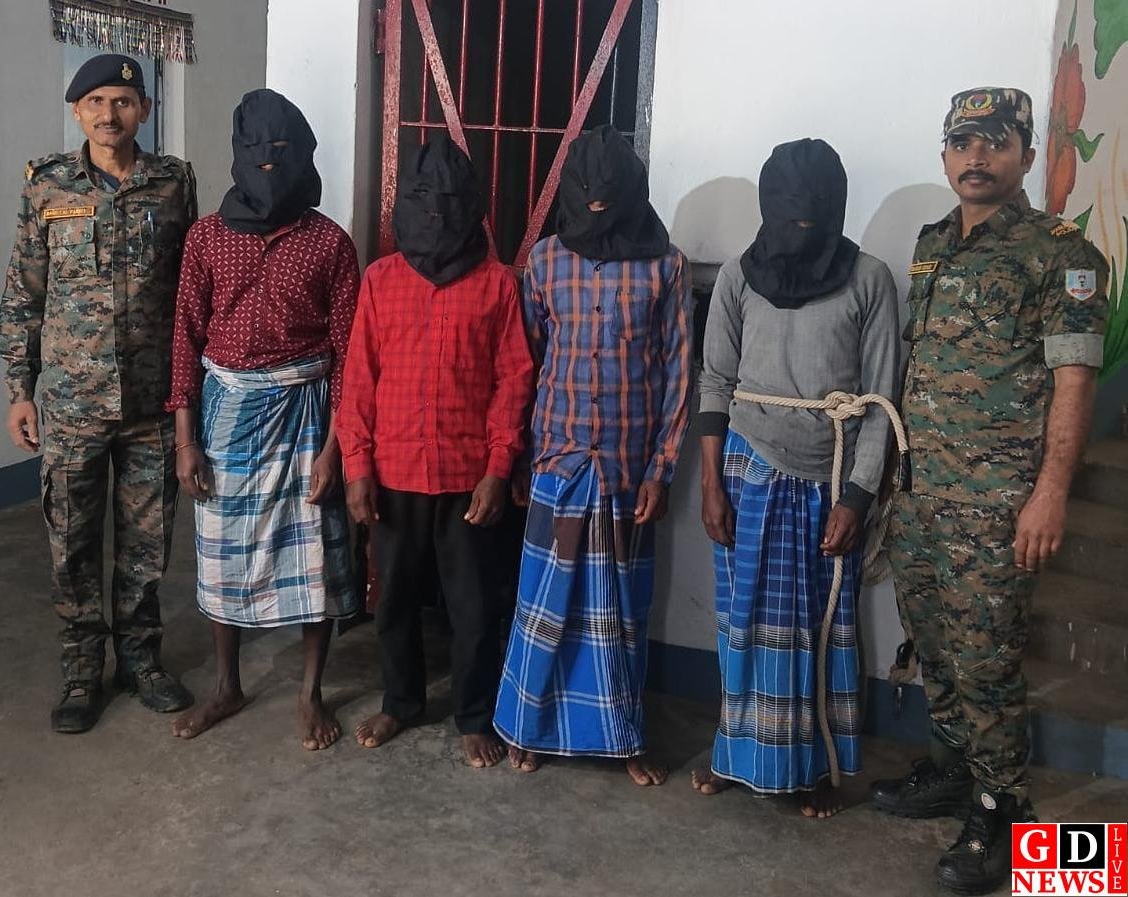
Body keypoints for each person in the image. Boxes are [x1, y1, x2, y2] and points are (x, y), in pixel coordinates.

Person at [871, 87, 1108, 894]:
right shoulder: (931, 244)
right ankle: (951, 769)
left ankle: (1000, 810)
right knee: (935, 644)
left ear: (1026, 155)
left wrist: (1050, 493)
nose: (976, 156)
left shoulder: (1061, 256)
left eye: (995, 141)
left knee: (987, 661)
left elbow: (1073, 382)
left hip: (996, 505)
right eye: (962, 141)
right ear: (944, 154)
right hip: (920, 497)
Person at [693, 138, 901, 817]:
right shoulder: (736, 277)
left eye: (813, 211)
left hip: (827, 480)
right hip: (747, 467)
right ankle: (735, 752)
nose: (800, 225)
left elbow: (881, 398)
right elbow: (715, 381)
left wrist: (857, 496)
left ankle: (813, 768)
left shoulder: (868, 279)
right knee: (742, 622)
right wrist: (709, 484)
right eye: (787, 211)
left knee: (818, 628)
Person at [0, 54, 198, 734]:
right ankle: (82, 670)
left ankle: (141, 661)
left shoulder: (173, 183)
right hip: (72, 402)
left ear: (144, 110)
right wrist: (19, 389)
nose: (109, 115)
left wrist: (188, 393)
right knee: (73, 544)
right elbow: (23, 292)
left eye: (122, 101)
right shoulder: (47, 184)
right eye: (96, 102)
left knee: (147, 546)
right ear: (77, 111)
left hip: (150, 404)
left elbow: (187, 290)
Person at [493, 125, 692, 785]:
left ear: (630, 190)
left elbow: (678, 374)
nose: (596, 202)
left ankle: (623, 736)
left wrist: (662, 468)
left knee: (620, 613)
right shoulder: (545, 261)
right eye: (585, 191)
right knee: (544, 606)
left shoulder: (666, 266)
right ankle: (528, 728)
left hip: (627, 470)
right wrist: (518, 457)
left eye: (608, 191)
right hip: (558, 462)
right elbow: (527, 363)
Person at [164, 90, 360, 751]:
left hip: (307, 413)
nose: (269, 164)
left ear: (303, 156)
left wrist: (334, 450)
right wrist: (186, 440)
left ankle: (310, 692)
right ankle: (227, 685)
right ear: (237, 156)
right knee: (224, 554)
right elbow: (185, 337)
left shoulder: (330, 243)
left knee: (314, 555)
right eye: (257, 153)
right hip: (228, 413)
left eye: (282, 152)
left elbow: (349, 353)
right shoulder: (207, 237)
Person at [337, 135, 533, 769]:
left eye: (450, 201)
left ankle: (474, 715)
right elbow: (358, 380)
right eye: (424, 201)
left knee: (474, 604)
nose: (437, 215)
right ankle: (401, 701)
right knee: (393, 598)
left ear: (471, 207)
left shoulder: (498, 285)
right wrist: (357, 467)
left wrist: (498, 468)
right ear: (405, 206)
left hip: (467, 475)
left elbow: (514, 380)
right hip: (393, 471)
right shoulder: (380, 280)